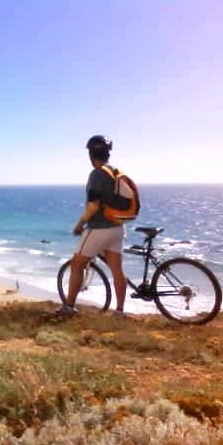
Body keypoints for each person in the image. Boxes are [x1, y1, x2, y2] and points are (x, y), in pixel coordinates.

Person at [57, 135, 127, 317]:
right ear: (107, 153)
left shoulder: (97, 174)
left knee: (77, 263)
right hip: (117, 228)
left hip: (99, 228)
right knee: (117, 271)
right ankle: (119, 311)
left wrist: (80, 224)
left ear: (90, 154)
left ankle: (69, 307)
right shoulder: (115, 171)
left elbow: (94, 204)